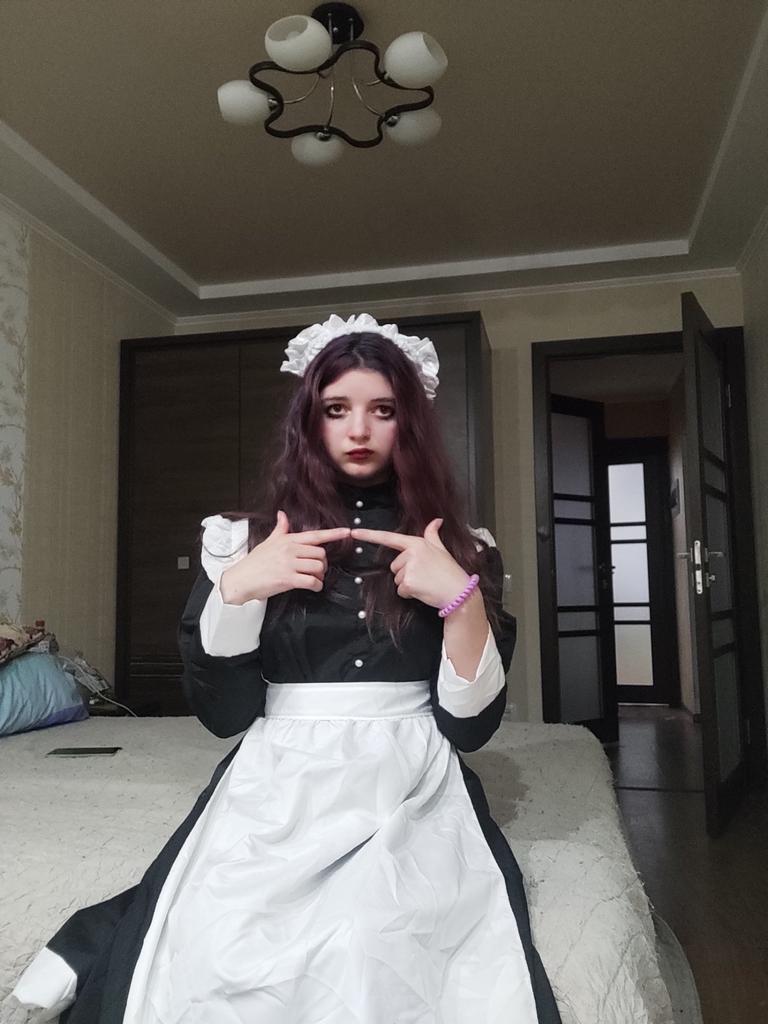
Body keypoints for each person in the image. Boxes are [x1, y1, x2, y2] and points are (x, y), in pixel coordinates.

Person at [12, 313, 562, 1023]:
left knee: (377, 938)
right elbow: (225, 716)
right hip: (280, 768)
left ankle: (88, 943)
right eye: (337, 409)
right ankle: (96, 940)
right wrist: (239, 589)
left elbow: (470, 729)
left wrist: (459, 600)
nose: (358, 429)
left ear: (410, 424)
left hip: (411, 770)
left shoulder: (463, 548)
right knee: (223, 936)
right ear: (310, 420)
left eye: (383, 410)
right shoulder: (241, 540)